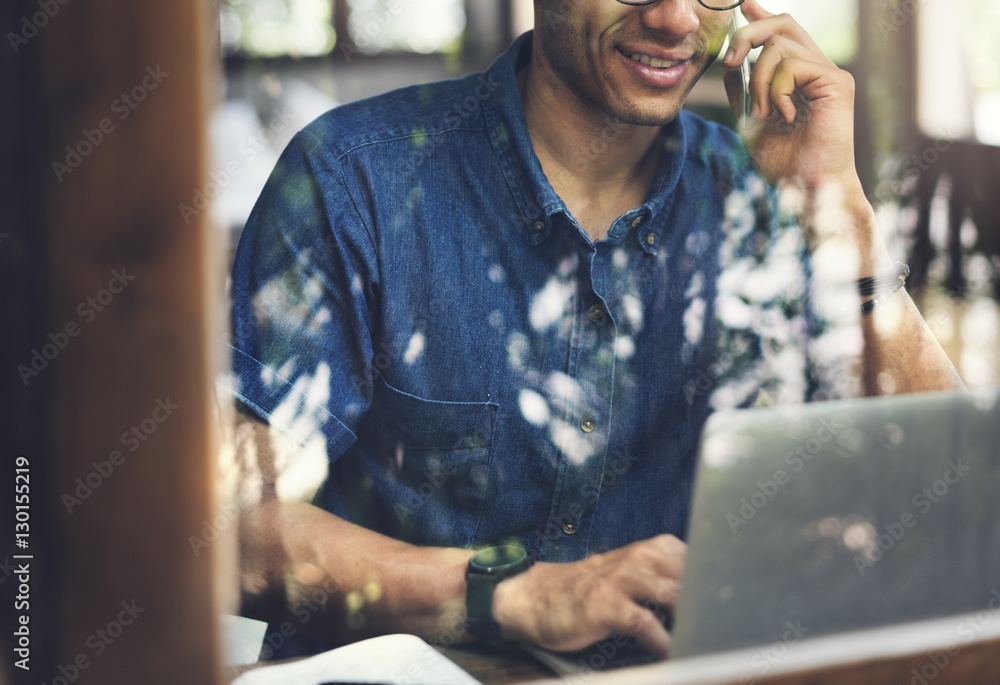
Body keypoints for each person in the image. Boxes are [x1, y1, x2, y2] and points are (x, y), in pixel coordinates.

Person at [228, 0, 963, 661]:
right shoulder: (353, 180)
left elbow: (957, 511)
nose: (676, 21)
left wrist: (840, 218)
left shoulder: (755, 195)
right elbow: (232, 537)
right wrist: (512, 595)